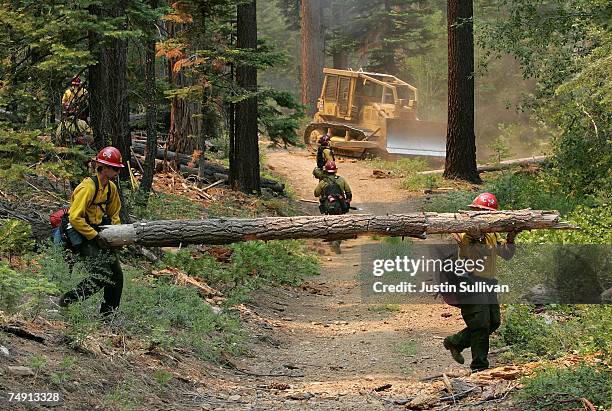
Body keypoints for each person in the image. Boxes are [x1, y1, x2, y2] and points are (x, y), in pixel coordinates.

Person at [443, 192, 520, 372]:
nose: (486, 216)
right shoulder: (465, 233)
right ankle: (479, 367)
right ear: (474, 211)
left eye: (489, 214)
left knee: (494, 322)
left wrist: (511, 238)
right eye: (482, 212)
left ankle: (455, 342)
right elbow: (473, 255)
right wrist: (476, 237)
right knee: (480, 323)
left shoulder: (491, 232)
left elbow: (507, 255)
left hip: (488, 283)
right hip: (470, 282)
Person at [59, 147, 125, 316]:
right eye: (115, 168)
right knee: (101, 274)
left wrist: (116, 236)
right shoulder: (87, 188)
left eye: (118, 168)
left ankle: (108, 316)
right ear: (103, 167)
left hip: (100, 234)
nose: (118, 172)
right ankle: (67, 300)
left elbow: (114, 214)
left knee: (116, 276)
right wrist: (94, 236)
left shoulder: (111, 189)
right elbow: (75, 217)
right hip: (82, 234)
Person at [314, 160, 352, 253]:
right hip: (339, 207)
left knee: (330, 223)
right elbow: (349, 193)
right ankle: (337, 241)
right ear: (336, 170)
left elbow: (316, 193)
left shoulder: (323, 182)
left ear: (325, 171)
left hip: (328, 207)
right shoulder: (341, 179)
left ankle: (331, 240)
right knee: (340, 224)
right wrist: (346, 202)